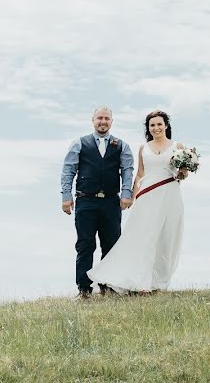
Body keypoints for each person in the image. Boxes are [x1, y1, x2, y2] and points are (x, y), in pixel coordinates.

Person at [87, 109, 188, 295]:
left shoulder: (178, 146)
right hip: (148, 196)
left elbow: (183, 174)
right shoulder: (144, 148)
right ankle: (142, 284)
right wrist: (131, 197)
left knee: (166, 238)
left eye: (159, 124)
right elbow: (140, 174)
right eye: (152, 125)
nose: (156, 128)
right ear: (148, 128)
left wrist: (184, 172)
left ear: (166, 126)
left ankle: (159, 281)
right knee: (144, 237)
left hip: (170, 195)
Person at [60, 106, 134, 300]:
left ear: (111, 121)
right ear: (93, 120)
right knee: (85, 245)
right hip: (85, 201)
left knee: (111, 244)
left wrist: (127, 194)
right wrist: (66, 196)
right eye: (99, 118)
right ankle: (84, 289)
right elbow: (68, 171)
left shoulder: (121, 146)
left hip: (111, 202)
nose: (103, 122)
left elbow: (127, 171)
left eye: (107, 119)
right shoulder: (79, 144)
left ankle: (107, 286)